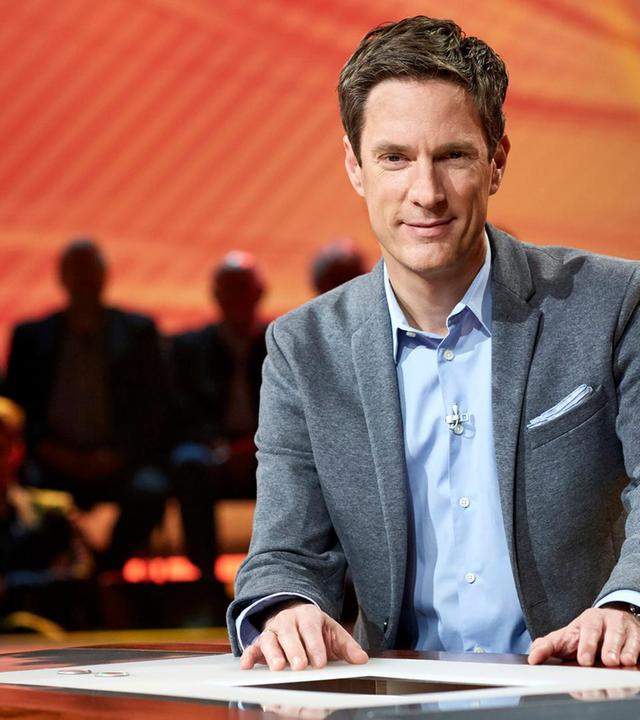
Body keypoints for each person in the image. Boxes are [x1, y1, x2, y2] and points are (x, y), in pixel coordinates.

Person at [227, 15, 640, 671]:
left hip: (580, 685)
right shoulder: (303, 349)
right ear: (355, 166)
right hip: (396, 695)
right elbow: (284, 553)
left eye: (453, 156)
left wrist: (626, 605)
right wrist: (289, 609)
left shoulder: (612, 303)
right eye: (394, 158)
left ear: (496, 162)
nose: (426, 193)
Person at [4, 239, 169, 570]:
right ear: (63, 278)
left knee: (151, 490)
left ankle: (105, 568)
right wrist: (51, 450)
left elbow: (154, 406)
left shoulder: (137, 333)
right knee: (21, 496)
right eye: (76, 273)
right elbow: (18, 407)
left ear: (104, 276)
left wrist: (116, 454)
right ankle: (40, 576)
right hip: (51, 461)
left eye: (90, 272)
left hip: (117, 461)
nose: (84, 281)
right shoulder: (31, 337)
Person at [170, 251, 268, 574]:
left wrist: (254, 446)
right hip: (209, 450)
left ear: (259, 293)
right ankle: (204, 576)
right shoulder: (188, 348)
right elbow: (182, 410)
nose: (237, 298)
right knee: (189, 463)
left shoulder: (282, 343)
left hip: (269, 449)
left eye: (243, 288)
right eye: (230, 289)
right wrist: (220, 447)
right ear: (216, 295)